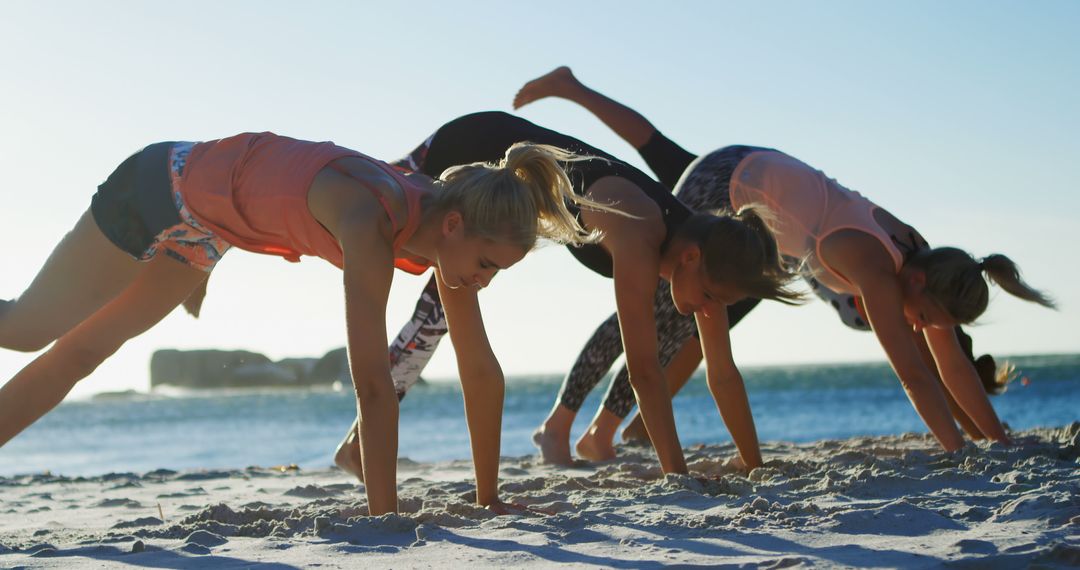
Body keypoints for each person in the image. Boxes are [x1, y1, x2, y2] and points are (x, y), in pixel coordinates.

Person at [0, 131, 613, 515]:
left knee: (85, 352)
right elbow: (373, 386)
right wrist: (386, 519)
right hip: (158, 186)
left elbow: (479, 371)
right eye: (485, 265)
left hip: (208, 231)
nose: (483, 280)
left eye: (497, 272)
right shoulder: (372, 225)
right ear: (455, 228)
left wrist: (488, 499)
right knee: (27, 328)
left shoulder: (446, 227)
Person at [516, 67, 1056, 459]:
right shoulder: (877, 268)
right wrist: (958, 451)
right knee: (660, 309)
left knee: (700, 319)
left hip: (761, 187)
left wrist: (997, 441)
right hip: (726, 182)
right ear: (916, 283)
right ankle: (579, 429)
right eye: (924, 316)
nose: (921, 327)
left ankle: (610, 432)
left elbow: (949, 363)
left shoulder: (925, 263)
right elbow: (914, 375)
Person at [334, 111, 803, 479]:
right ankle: (362, 443)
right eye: (708, 297)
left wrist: (753, 463)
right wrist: (677, 476)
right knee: (437, 294)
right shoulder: (641, 235)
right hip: (474, 145)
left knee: (448, 294)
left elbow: (722, 371)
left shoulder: (706, 253)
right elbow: (644, 371)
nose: (708, 310)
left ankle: (361, 443)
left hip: (501, 148)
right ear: (690, 259)